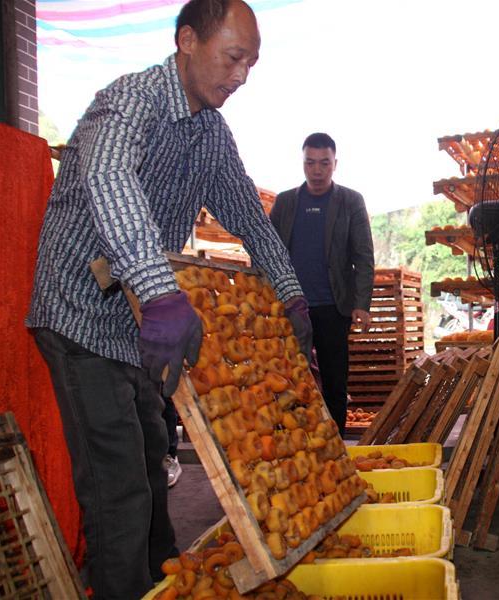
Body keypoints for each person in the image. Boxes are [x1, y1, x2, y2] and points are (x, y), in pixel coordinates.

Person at [25, 1, 312, 597]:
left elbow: (248, 218)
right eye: (233, 57)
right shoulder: (130, 101)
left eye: (251, 64)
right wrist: (160, 292)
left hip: (134, 323)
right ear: (187, 40)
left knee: (154, 455)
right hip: (79, 313)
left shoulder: (211, 134)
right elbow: (108, 178)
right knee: (119, 482)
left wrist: (290, 294)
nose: (241, 76)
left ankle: (165, 581)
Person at [270, 133, 375, 436]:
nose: (317, 170)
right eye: (310, 163)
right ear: (303, 163)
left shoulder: (350, 201)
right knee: (290, 378)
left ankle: (335, 443)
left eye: (324, 163)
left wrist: (361, 304)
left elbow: (363, 255)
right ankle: (296, 441)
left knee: (334, 381)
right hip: (292, 306)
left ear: (335, 164)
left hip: (333, 306)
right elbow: (268, 250)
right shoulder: (286, 202)